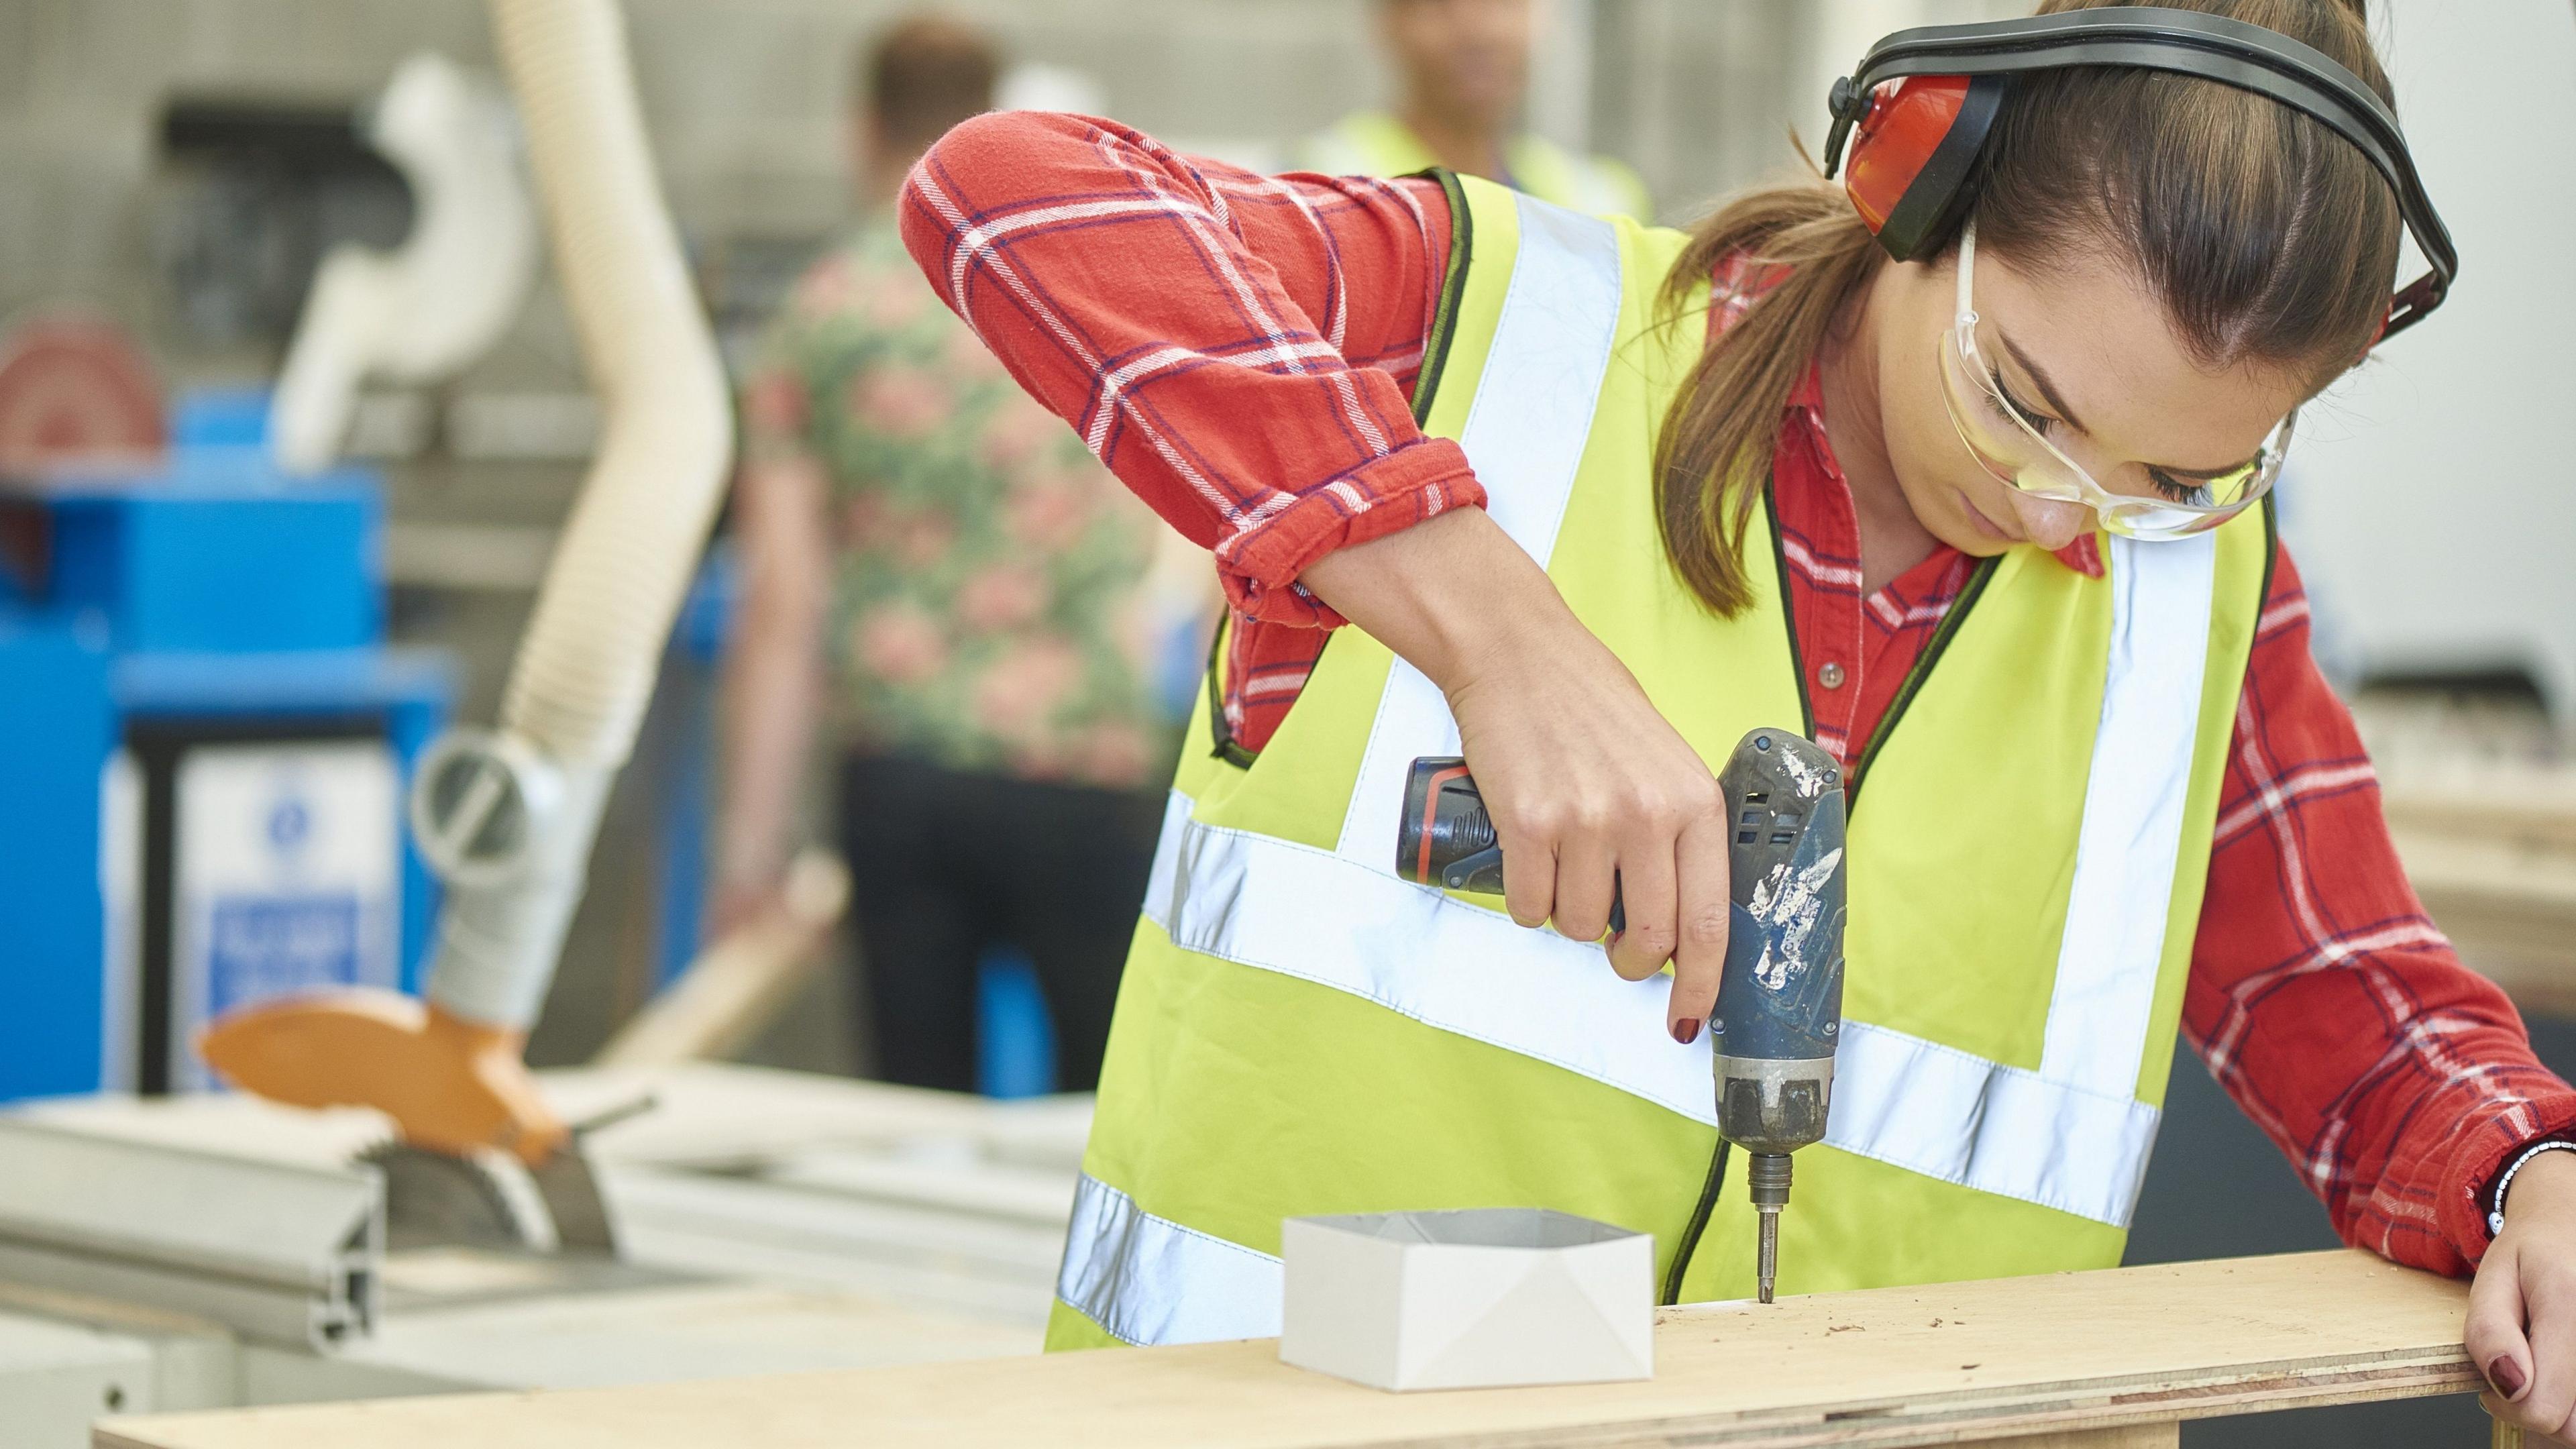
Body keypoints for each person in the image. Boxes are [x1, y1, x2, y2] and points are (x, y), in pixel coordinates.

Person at [904, 0, 2576, 1437]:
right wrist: (1495, 635)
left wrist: (2523, 1175)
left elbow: (2335, 988)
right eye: (2027, 400)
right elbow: (1008, 198)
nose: (2062, 509)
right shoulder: (1496, 336)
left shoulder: (2191, 590)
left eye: (2170, 475)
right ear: (1918, 178)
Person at [715, 15, 1189, 1095]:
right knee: (1107, 1123)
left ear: (860, 128)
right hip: (1088, 760)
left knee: (916, 1123)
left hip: (905, 771)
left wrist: (751, 852)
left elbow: (781, 607)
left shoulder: (824, 312)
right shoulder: (1084, 290)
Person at [1297, 0, 1652, 222]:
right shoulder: (1318, 189)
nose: (1479, 31)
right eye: (1439, 5)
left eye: (1505, 3)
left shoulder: (1600, 200)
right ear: (1388, 21)